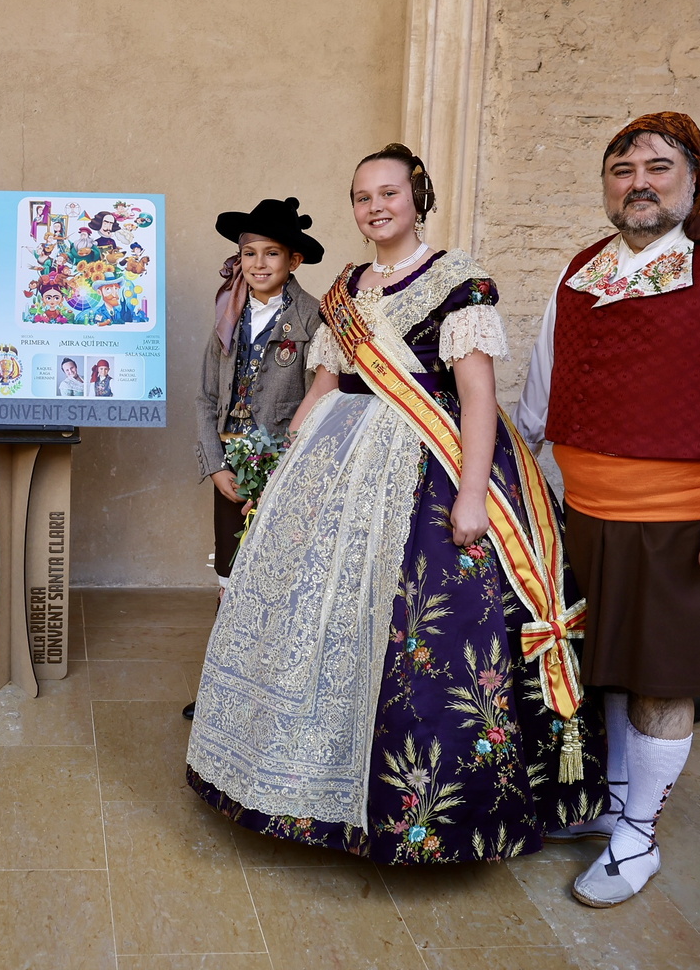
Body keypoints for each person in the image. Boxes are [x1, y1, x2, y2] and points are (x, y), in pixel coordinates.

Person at [187, 145, 605, 863]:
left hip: (429, 463)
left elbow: (477, 397)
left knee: (420, 626)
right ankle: (297, 778)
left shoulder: (458, 281)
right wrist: (290, 456)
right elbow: (326, 380)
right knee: (316, 613)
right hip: (338, 459)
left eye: (388, 192)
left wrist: (472, 495)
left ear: (418, 198)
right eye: (362, 196)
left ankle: (421, 809)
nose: (375, 206)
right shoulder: (346, 287)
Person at [514, 112, 700, 907]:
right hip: (584, 512)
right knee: (608, 668)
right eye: (622, 170)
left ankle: (639, 837)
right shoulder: (583, 269)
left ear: (695, 179)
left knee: (662, 680)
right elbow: (547, 380)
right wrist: (521, 472)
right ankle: (613, 804)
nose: (638, 183)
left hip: (682, 518)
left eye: (658, 168)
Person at [183, 197, 324, 721]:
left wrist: (287, 469)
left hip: (285, 469)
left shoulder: (314, 319)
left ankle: (271, 699)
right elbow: (205, 397)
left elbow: (321, 401)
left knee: (278, 580)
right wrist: (215, 464)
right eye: (249, 253)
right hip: (232, 470)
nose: (259, 264)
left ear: (294, 260)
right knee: (230, 577)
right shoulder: (228, 316)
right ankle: (222, 694)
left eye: (271, 253)